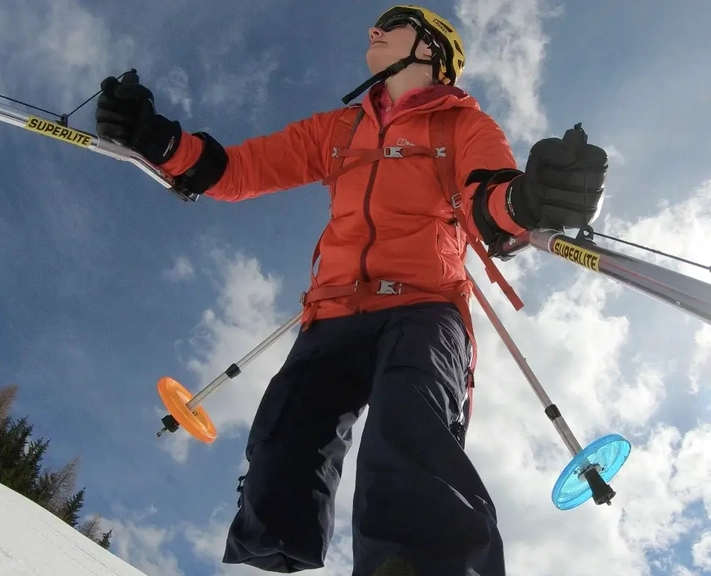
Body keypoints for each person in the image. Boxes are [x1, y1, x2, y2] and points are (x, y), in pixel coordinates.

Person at [95, 5, 608, 575]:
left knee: (409, 428)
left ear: (432, 49)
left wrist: (527, 202)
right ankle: (277, 551)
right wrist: (160, 141)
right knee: (282, 448)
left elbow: (487, 198)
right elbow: (239, 170)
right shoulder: (338, 129)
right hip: (334, 308)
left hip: (423, 306)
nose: (374, 30)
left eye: (395, 23)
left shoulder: (463, 125)